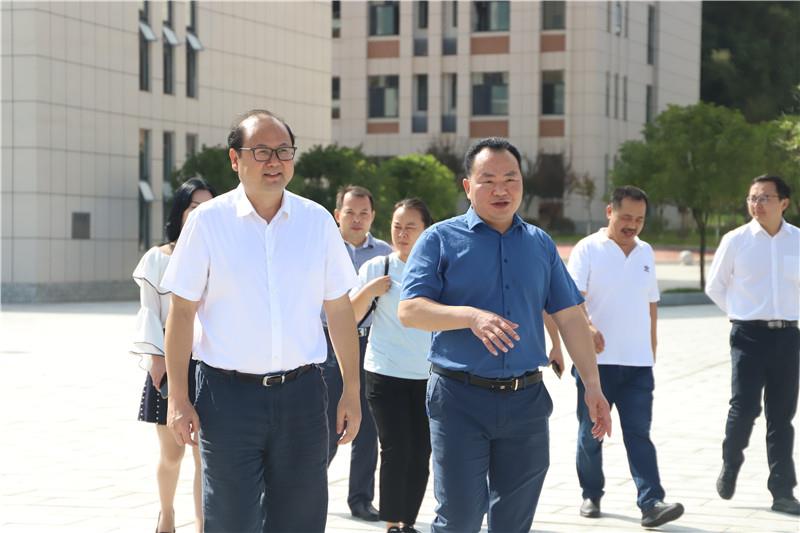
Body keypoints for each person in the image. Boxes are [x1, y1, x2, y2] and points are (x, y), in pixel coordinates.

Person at [160, 109, 363, 533]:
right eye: (262, 151)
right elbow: (181, 312)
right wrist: (178, 397)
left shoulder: (317, 222)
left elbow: (339, 309)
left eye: (284, 151)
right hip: (227, 398)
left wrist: (351, 390)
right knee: (230, 519)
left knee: (300, 519)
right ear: (235, 159)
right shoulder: (207, 222)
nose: (275, 161)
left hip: (303, 396)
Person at [398, 137, 613, 533]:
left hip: (526, 403)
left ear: (522, 184)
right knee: (459, 518)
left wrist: (593, 385)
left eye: (510, 179)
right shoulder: (439, 239)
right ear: (468, 186)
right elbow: (409, 310)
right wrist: (470, 317)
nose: (501, 190)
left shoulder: (539, 244)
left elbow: (570, 317)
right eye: (488, 180)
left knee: (514, 522)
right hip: (459, 399)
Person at [552, 186, 684, 527]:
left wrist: (651, 349)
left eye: (639, 219)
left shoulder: (646, 251)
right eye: (626, 217)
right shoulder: (588, 248)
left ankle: (651, 503)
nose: (632, 225)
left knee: (639, 433)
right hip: (596, 365)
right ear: (609, 212)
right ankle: (591, 493)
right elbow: (572, 299)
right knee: (591, 433)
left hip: (638, 365)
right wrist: (588, 327)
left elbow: (651, 304)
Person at [706, 174, 800, 516]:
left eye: (764, 198)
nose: (756, 204)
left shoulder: (797, 240)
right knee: (744, 408)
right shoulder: (736, 240)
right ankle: (730, 464)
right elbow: (715, 286)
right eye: (752, 198)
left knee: (782, 416)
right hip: (748, 336)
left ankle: (783, 491)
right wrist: (740, 313)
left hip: (788, 337)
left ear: (783, 203)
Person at [131, 177, 214, 533]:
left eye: (207, 207)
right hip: (169, 361)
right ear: (180, 211)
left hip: (211, 363)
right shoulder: (157, 258)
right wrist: (157, 360)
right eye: (194, 207)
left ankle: (203, 525)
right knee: (172, 453)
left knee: (204, 456)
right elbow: (149, 312)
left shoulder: (220, 253)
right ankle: (166, 515)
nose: (200, 213)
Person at [350, 199, 434, 533]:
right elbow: (350, 315)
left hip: (428, 375)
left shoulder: (437, 268)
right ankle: (392, 523)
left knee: (421, 451)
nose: (402, 233)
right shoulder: (378, 267)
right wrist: (370, 291)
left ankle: (408, 521)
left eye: (411, 227)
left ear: (426, 230)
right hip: (384, 373)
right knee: (395, 447)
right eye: (397, 226)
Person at [322, 185, 391, 522]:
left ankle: (361, 499)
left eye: (364, 213)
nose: (357, 219)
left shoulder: (385, 255)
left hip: (370, 343)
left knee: (368, 425)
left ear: (373, 216)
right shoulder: (322, 247)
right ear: (338, 215)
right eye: (350, 212)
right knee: (326, 423)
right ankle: (306, 490)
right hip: (326, 344)